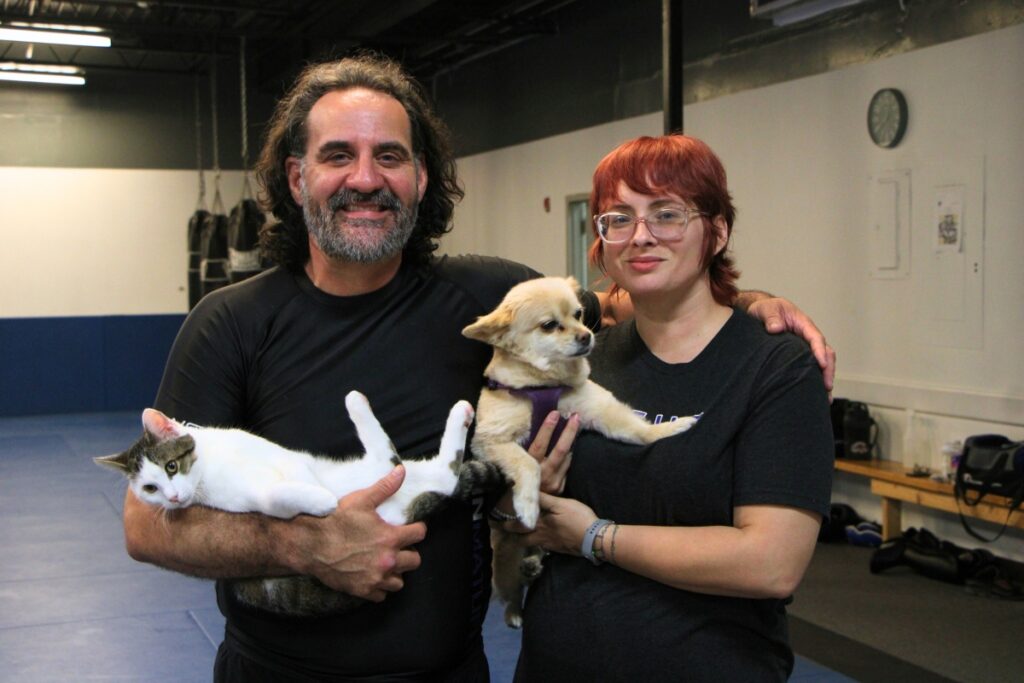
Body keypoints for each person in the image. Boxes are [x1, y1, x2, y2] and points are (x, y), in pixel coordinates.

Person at [121, 54, 834, 681]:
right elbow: (145, 524)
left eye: (391, 157)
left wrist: (754, 302)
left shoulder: (490, 295)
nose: (365, 178)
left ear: (423, 177)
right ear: (297, 174)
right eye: (339, 155)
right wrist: (301, 544)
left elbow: (631, 298)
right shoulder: (229, 324)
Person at [510, 135, 835, 682]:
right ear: (601, 239)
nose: (641, 236)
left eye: (667, 214)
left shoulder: (776, 369)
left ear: (718, 230)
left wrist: (595, 537)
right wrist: (520, 492)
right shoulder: (575, 362)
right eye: (619, 217)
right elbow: (523, 521)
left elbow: (771, 564)